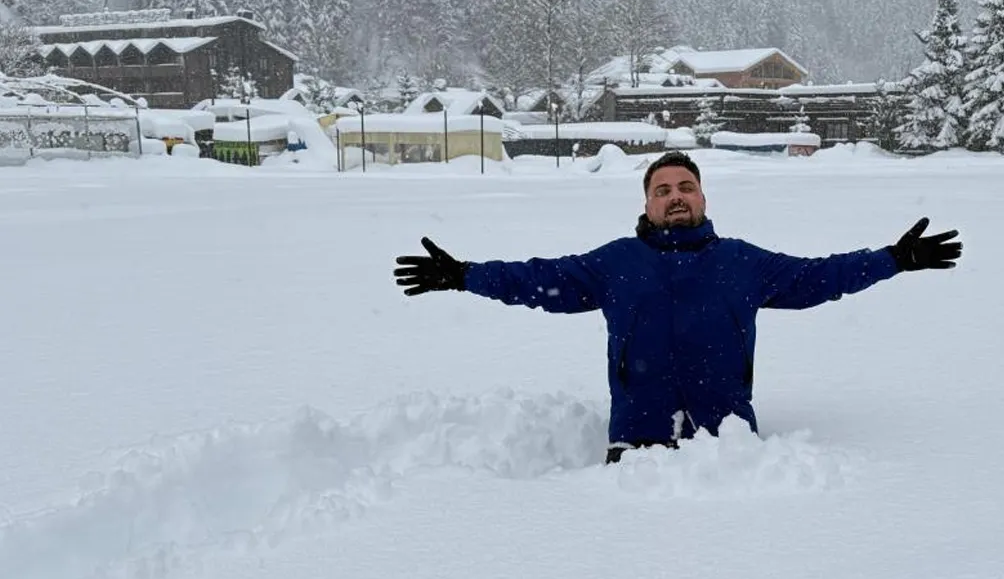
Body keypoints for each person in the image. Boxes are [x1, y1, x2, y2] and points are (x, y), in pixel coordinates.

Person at [393, 151, 961, 464]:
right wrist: (465, 275)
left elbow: (821, 276)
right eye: (662, 190)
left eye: (685, 186)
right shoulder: (613, 263)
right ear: (646, 203)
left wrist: (892, 259)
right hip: (634, 450)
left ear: (704, 199)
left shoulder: (744, 263)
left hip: (730, 453)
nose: (676, 196)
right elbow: (536, 280)